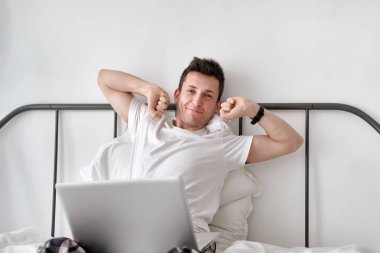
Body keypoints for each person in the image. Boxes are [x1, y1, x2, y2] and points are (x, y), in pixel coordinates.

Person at [97, 57, 303, 234]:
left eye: (207, 95)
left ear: (216, 105)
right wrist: (146, 89)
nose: (196, 101)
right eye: (191, 91)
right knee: (66, 245)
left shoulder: (220, 143)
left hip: (185, 237)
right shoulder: (147, 122)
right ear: (177, 95)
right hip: (132, 231)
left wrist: (251, 109)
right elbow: (104, 78)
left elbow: (290, 142)